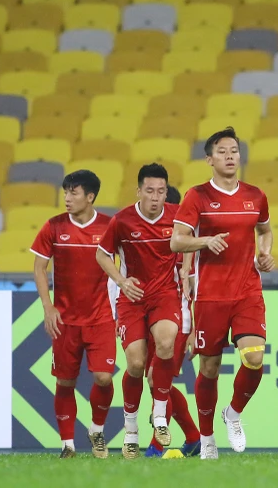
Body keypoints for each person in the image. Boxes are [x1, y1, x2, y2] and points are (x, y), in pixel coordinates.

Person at [171, 127, 276, 460]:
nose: (230, 156)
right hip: (210, 295)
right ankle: (207, 439)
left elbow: (265, 229)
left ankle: (232, 413)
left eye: (234, 151)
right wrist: (205, 241)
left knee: (254, 358)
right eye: (222, 151)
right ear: (209, 159)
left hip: (247, 291)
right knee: (210, 368)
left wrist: (265, 252)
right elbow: (176, 241)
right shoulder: (197, 196)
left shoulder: (256, 196)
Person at [96, 164, 183, 459]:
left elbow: (194, 242)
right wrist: (121, 281)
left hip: (165, 295)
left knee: (166, 343)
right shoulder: (122, 220)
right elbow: (101, 255)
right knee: (135, 364)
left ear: (166, 193)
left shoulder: (177, 217)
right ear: (139, 191)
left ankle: (159, 416)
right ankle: (130, 429)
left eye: (161, 191)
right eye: (150, 191)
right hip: (132, 298)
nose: (155, 197)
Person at [31, 170, 115, 459]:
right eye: (65, 192)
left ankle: (97, 430)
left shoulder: (109, 226)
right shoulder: (54, 226)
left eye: (73, 193)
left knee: (103, 378)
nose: (67, 198)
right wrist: (48, 306)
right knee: (65, 382)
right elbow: (39, 267)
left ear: (90, 197)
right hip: (65, 320)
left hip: (101, 317)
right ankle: (67, 445)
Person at [144, 184, 201, 458]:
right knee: (156, 382)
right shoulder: (153, 242)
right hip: (154, 319)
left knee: (156, 379)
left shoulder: (190, 244)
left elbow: (198, 288)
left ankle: (156, 446)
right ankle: (193, 437)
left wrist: (195, 329)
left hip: (180, 320)